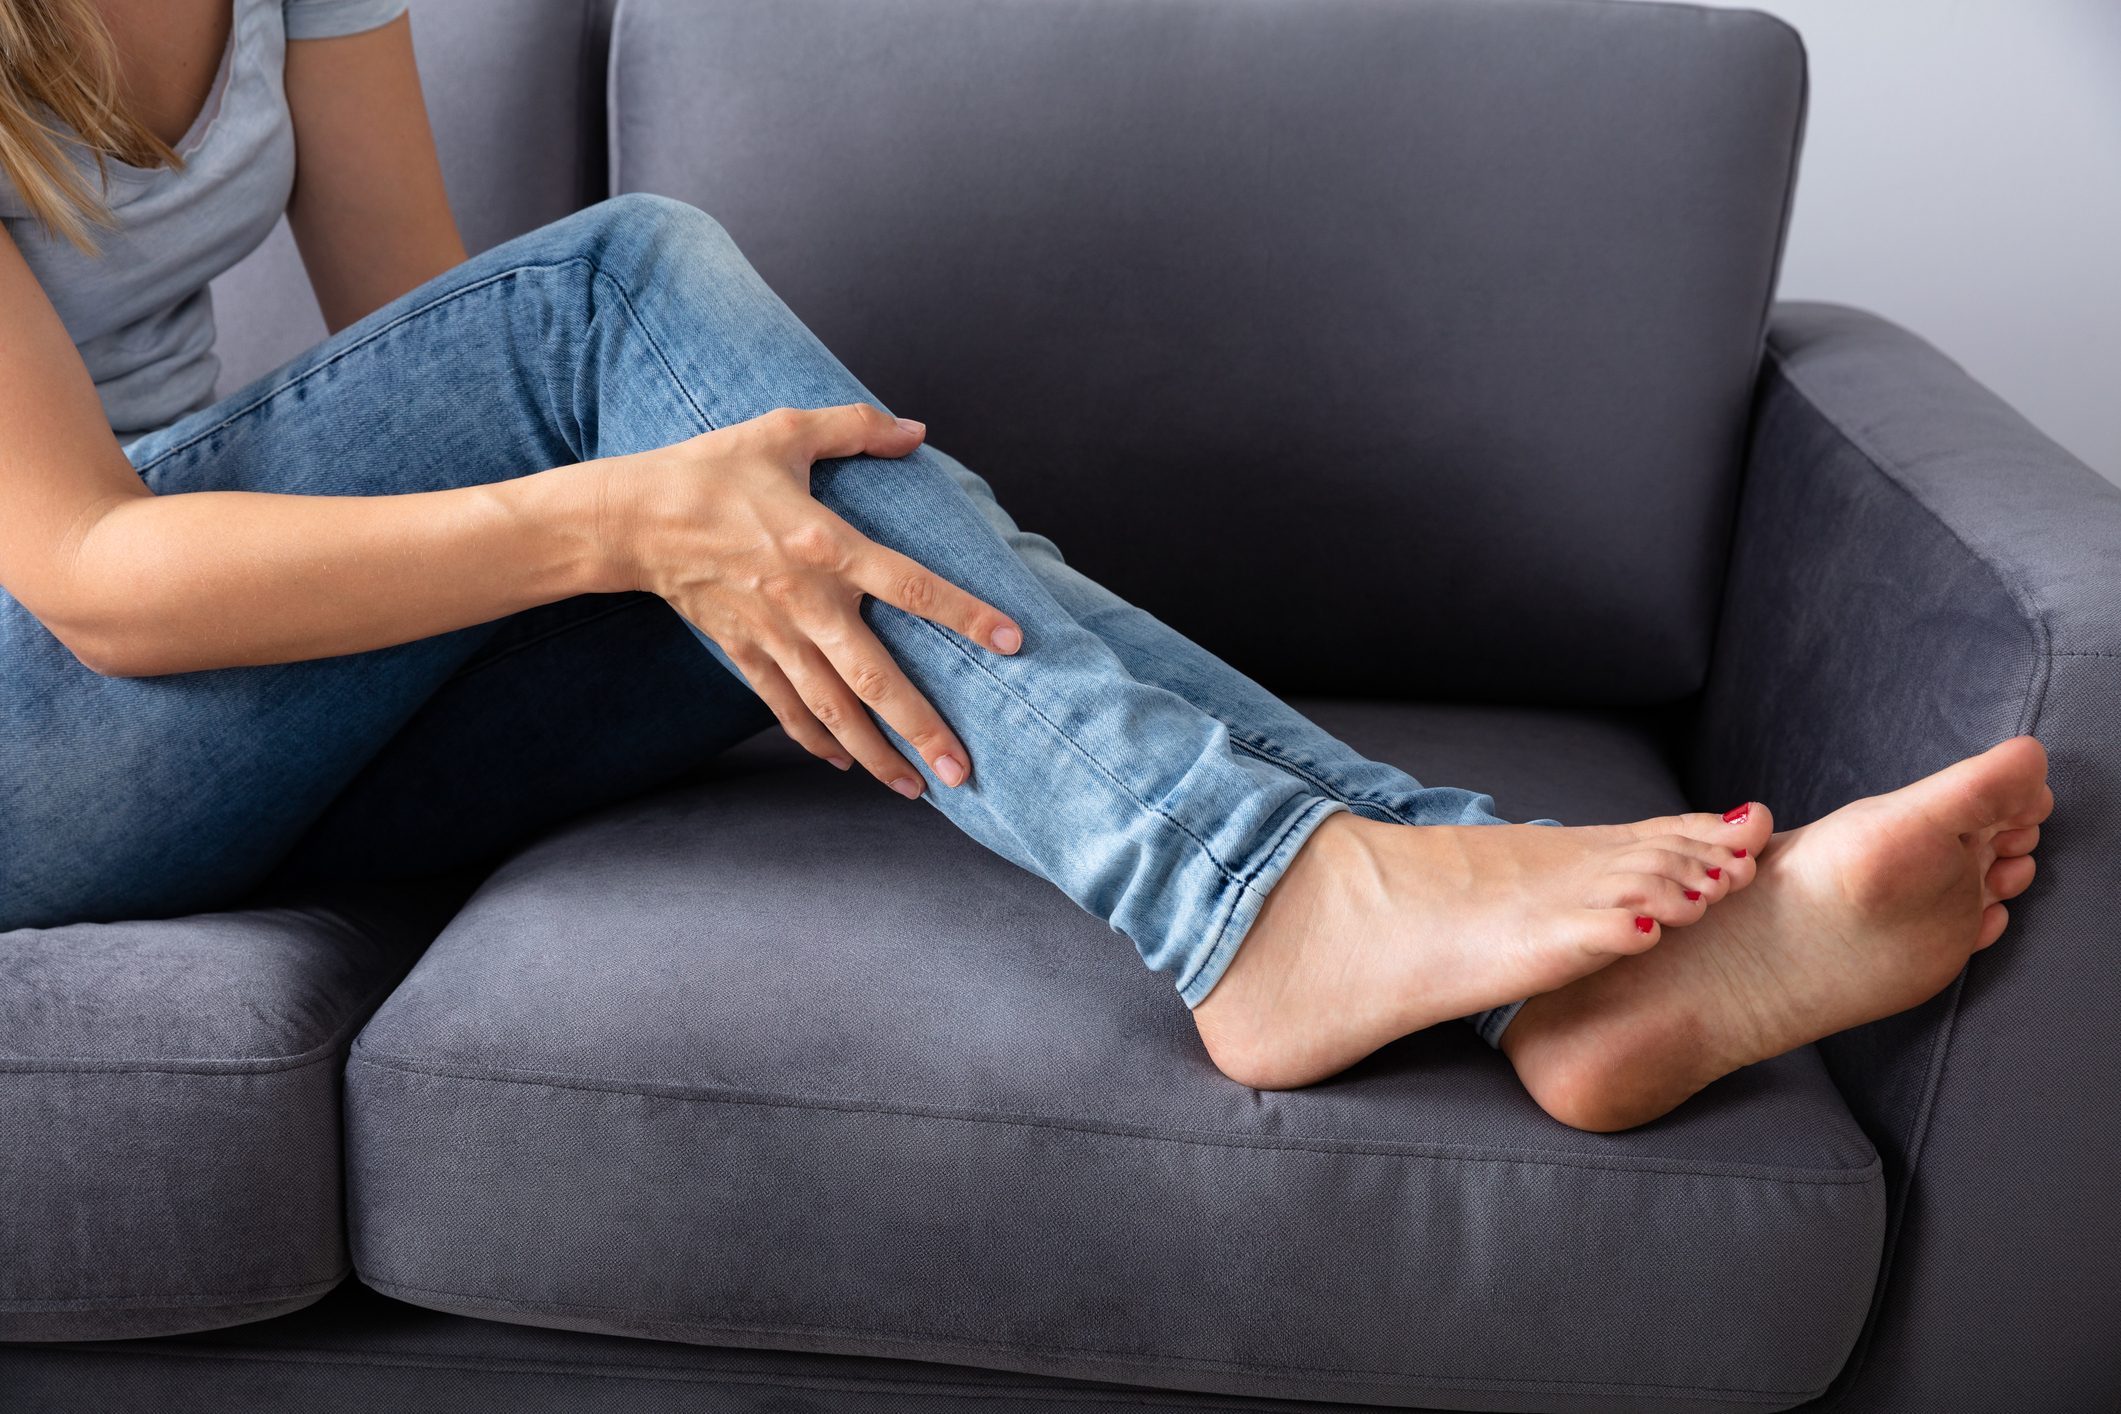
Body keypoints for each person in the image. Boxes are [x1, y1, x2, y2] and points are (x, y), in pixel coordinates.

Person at [0, 0, 2051, 1132]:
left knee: (786, 516)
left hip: (234, 716)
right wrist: (632, 510)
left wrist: (665, 512)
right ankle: (1264, 906)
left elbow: (425, 358)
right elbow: (90, 571)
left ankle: (1527, 970)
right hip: (43, 732)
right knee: (643, 326)